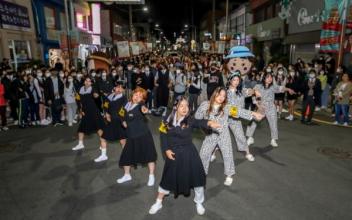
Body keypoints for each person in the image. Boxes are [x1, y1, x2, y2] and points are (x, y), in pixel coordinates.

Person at [148, 97, 221, 216]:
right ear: (176, 107)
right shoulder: (166, 119)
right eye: (181, 105)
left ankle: (199, 202)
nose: (185, 108)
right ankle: (158, 202)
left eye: (187, 106)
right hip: (174, 155)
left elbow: (199, 122)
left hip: (189, 154)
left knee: (197, 179)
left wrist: (209, 122)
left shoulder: (189, 120)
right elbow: (163, 135)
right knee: (168, 178)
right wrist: (166, 149)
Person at [195, 87, 262, 186]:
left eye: (223, 96)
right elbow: (197, 119)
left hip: (224, 135)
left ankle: (229, 175)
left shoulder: (226, 107)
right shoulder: (205, 105)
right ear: (215, 94)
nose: (221, 97)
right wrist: (205, 126)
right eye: (219, 94)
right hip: (210, 135)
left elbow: (239, 111)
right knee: (204, 154)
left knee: (227, 154)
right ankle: (201, 174)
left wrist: (253, 113)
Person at [117, 87, 157, 186]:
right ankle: (127, 175)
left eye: (140, 96)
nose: (137, 97)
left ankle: (151, 175)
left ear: (142, 99)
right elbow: (121, 114)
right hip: (130, 136)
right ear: (132, 94)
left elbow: (143, 109)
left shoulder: (140, 105)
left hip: (143, 135)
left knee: (149, 155)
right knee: (126, 155)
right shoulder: (127, 104)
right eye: (136, 94)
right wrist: (123, 121)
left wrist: (145, 110)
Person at [246, 72, 295, 147]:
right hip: (261, 107)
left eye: (271, 77)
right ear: (264, 78)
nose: (270, 79)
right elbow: (253, 96)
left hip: (271, 107)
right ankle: (250, 138)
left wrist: (288, 89)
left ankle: (273, 139)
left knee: (273, 123)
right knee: (254, 122)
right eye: (268, 77)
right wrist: (258, 105)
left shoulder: (273, 87)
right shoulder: (258, 86)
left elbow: (281, 88)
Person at [94, 82, 127, 162]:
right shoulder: (109, 96)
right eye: (117, 87)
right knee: (102, 138)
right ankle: (103, 155)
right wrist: (106, 113)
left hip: (119, 122)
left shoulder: (124, 99)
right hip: (110, 122)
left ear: (123, 90)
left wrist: (122, 121)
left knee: (122, 141)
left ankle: (126, 157)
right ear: (114, 87)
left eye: (121, 88)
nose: (119, 89)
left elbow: (123, 111)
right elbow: (105, 105)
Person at [72, 77, 104, 151]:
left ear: (91, 83)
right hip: (84, 111)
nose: (88, 82)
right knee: (81, 127)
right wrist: (80, 109)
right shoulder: (79, 89)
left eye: (89, 81)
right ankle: (80, 144)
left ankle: (103, 144)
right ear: (84, 82)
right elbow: (77, 100)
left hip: (93, 110)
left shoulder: (93, 89)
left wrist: (96, 95)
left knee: (98, 127)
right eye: (86, 80)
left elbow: (96, 95)